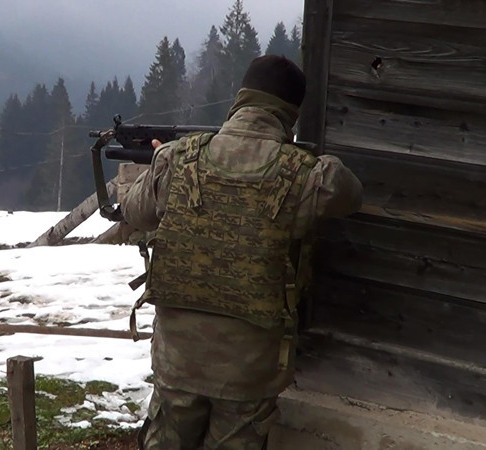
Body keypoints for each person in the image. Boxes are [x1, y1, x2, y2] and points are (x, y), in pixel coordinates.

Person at [121, 55, 363, 449]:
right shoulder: (305, 174)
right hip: (250, 368)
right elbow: (350, 192)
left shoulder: (178, 159)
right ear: (290, 114)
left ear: (239, 100)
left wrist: (162, 162)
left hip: (178, 358)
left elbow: (134, 211)